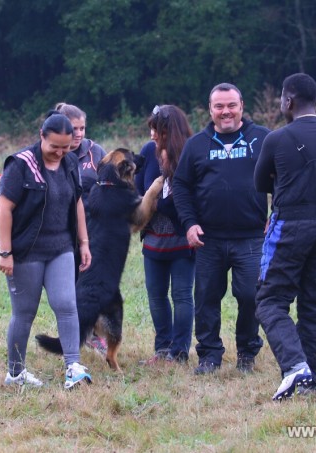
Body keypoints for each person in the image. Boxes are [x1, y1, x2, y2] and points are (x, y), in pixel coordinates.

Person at [254, 73, 316, 400]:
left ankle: (296, 367)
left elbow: (260, 183)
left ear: (288, 101)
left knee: (269, 300)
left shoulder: (277, 139)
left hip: (291, 224)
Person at [172, 83, 269, 375]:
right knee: (206, 299)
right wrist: (189, 224)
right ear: (210, 109)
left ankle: (247, 353)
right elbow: (181, 186)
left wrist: (276, 216)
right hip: (208, 240)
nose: (225, 111)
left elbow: (284, 179)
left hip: (251, 237)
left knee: (251, 297)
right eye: (219, 106)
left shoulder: (263, 139)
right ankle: (209, 355)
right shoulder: (197, 144)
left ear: (242, 106)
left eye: (231, 105)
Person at [0, 111, 93, 389]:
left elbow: (77, 203)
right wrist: (5, 253)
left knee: (67, 304)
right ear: (41, 137)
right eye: (54, 147)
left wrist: (84, 243)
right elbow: (4, 209)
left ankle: (73, 367)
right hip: (26, 250)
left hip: (61, 247)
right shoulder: (21, 165)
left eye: (66, 147)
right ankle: (15, 373)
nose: (60, 153)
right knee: (24, 312)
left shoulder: (70, 163)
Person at [135, 105, 195, 365]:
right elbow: (138, 189)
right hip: (153, 238)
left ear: (170, 130)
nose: (151, 135)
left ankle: (180, 351)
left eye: (156, 130)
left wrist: (156, 203)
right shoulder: (149, 152)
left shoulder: (190, 152)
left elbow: (188, 197)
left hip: (183, 237)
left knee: (182, 294)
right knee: (155, 294)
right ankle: (162, 349)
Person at [55, 102, 108, 356]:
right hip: (61, 234)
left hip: (94, 233)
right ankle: (71, 334)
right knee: (68, 289)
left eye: (82, 128)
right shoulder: (54, 152)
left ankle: (95, 334)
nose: (78, 134)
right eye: (73, 128)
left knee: (93, 287)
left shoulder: (96, 152)